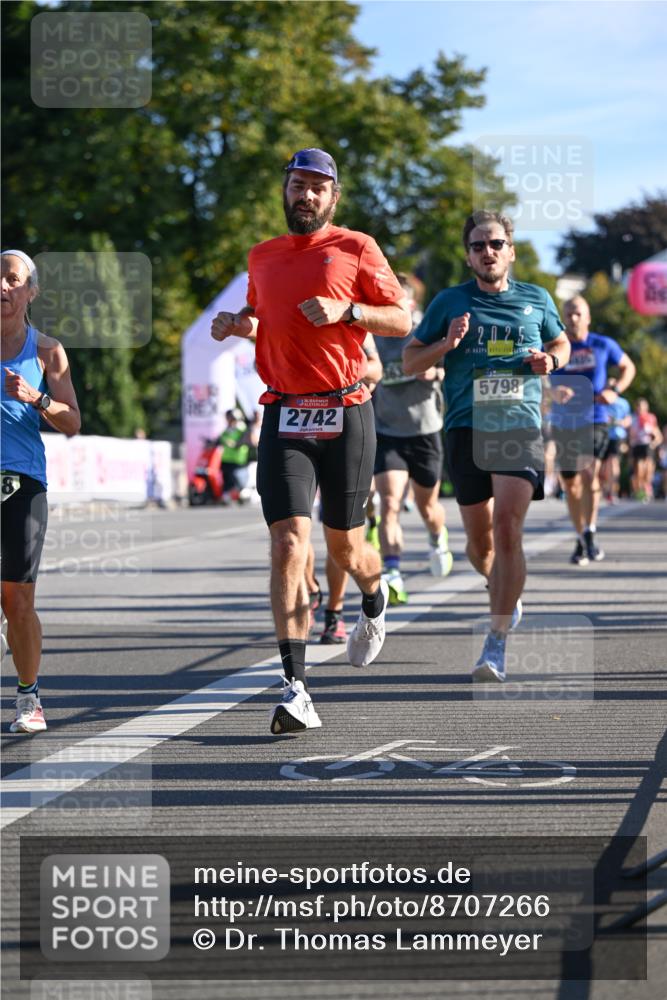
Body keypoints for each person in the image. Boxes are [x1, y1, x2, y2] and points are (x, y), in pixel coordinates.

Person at [211, 148, 411, 732]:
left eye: (317, 187)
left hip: (346, 410)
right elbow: (262, 316)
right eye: (298, 184)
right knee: (288, 544)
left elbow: (399, 319)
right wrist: (235, 325)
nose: (306, 195)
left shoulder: (356, 247)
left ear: (333, 197)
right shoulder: (263, 255)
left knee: (345, 549)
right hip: (284, 414)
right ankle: (295, 686)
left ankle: (372, 598)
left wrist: (348, 311)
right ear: (286, 190)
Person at [402, 211, 571, 682]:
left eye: (496, 244)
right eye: (478, 246)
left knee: (507, 526)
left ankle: (495, 642)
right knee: (481, 544)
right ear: (468, 255)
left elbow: (561, 341)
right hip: (464, 425)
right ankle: (498, 585)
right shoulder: (450, 301)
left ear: (510, 250)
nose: (488, 252)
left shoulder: (536, 299)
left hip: (516, 423)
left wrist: (550, 360)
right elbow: (411, 360)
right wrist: (447, 343)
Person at [1, 249, 81, 733]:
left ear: (31, 291)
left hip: (21, 483)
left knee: (17, 601)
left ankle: (29, 697)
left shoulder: (47, 350)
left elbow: (72, 422)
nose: (2, 288)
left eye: (12, 280)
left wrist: (37, 398)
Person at [372, 273, 453, 605]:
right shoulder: (374, 335)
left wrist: (433, 371)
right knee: (389, 504)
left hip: (425, 429)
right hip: (387, 429)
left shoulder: (427, 328)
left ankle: (438, 536)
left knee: (427, 506)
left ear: (411, 303)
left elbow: (451, 366)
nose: (391, 304)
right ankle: (392, 572)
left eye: (397, 299)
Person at [549, 295, 636, 563]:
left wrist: (615, 390)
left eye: (577, 313)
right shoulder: (555, 346)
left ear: (587, 317)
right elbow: (538, 379)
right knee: (572, 484)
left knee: (589, 474)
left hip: (596, 417)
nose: (572, 318)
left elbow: (628, 367)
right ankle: (581, 536)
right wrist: (553, 391)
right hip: (564, 421)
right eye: (568, 314)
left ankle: (590, 531)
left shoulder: (602, 344)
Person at [599, 377, 632, 503]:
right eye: (608, 386)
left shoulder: (623, 403)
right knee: (601, 466)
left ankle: (612, 492)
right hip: (601, 435)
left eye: (613, 387)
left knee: (613, 463)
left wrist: (618, 422)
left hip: (616, 436)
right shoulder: (601, 400)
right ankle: (602, 490)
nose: (610, 389)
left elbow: (628, 420)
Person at [629, 398, 662, 501]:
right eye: (638, 406)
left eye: (642, 406)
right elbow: (630, 436)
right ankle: (640, 491)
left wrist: (654, 443)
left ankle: (647, 488)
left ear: (646, 407)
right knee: (639, 470)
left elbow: (658, 435)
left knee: (648, 471)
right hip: (637, 446)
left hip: (648, 446)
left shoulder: (651, 418)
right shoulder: (633, 419)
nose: (640, 409)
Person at [219, 407, 251, 504]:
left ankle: (242, 495)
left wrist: (235, 444)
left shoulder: (242, 429)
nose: (228, 420)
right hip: (226, 458)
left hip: (238, 460)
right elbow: (221, 439)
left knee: (239, 480)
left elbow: (246, 440)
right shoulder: (228, 429)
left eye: (230, 418)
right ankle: (227, 497)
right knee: (227, 479)